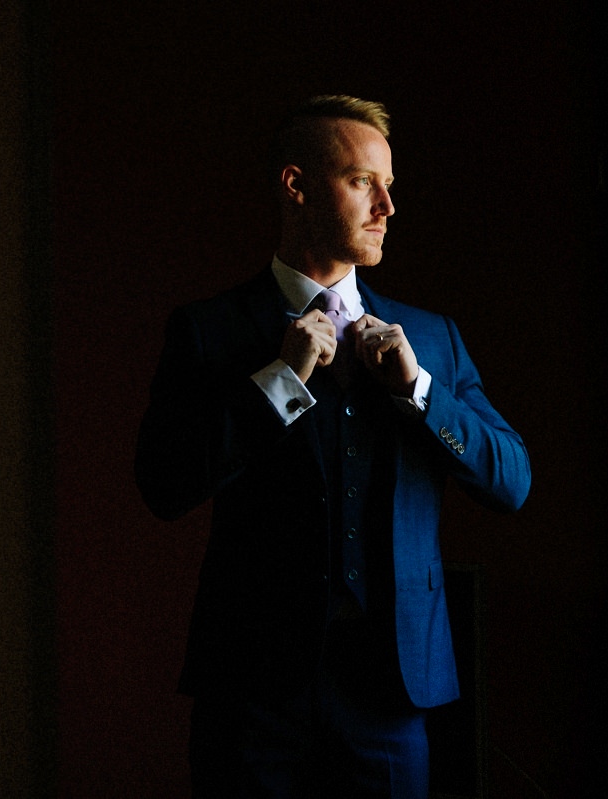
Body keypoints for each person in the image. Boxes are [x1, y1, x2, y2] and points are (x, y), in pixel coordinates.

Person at [134, 94, 531, 797]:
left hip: (391, 689)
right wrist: (278, 382)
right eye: (361, 182)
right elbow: (164, 485)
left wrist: (420, 393)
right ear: (296, 187)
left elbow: (512, 480)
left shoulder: (430, 336)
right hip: (252, 692)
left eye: (389, 186)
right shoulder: (208, 330)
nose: (387, 206)